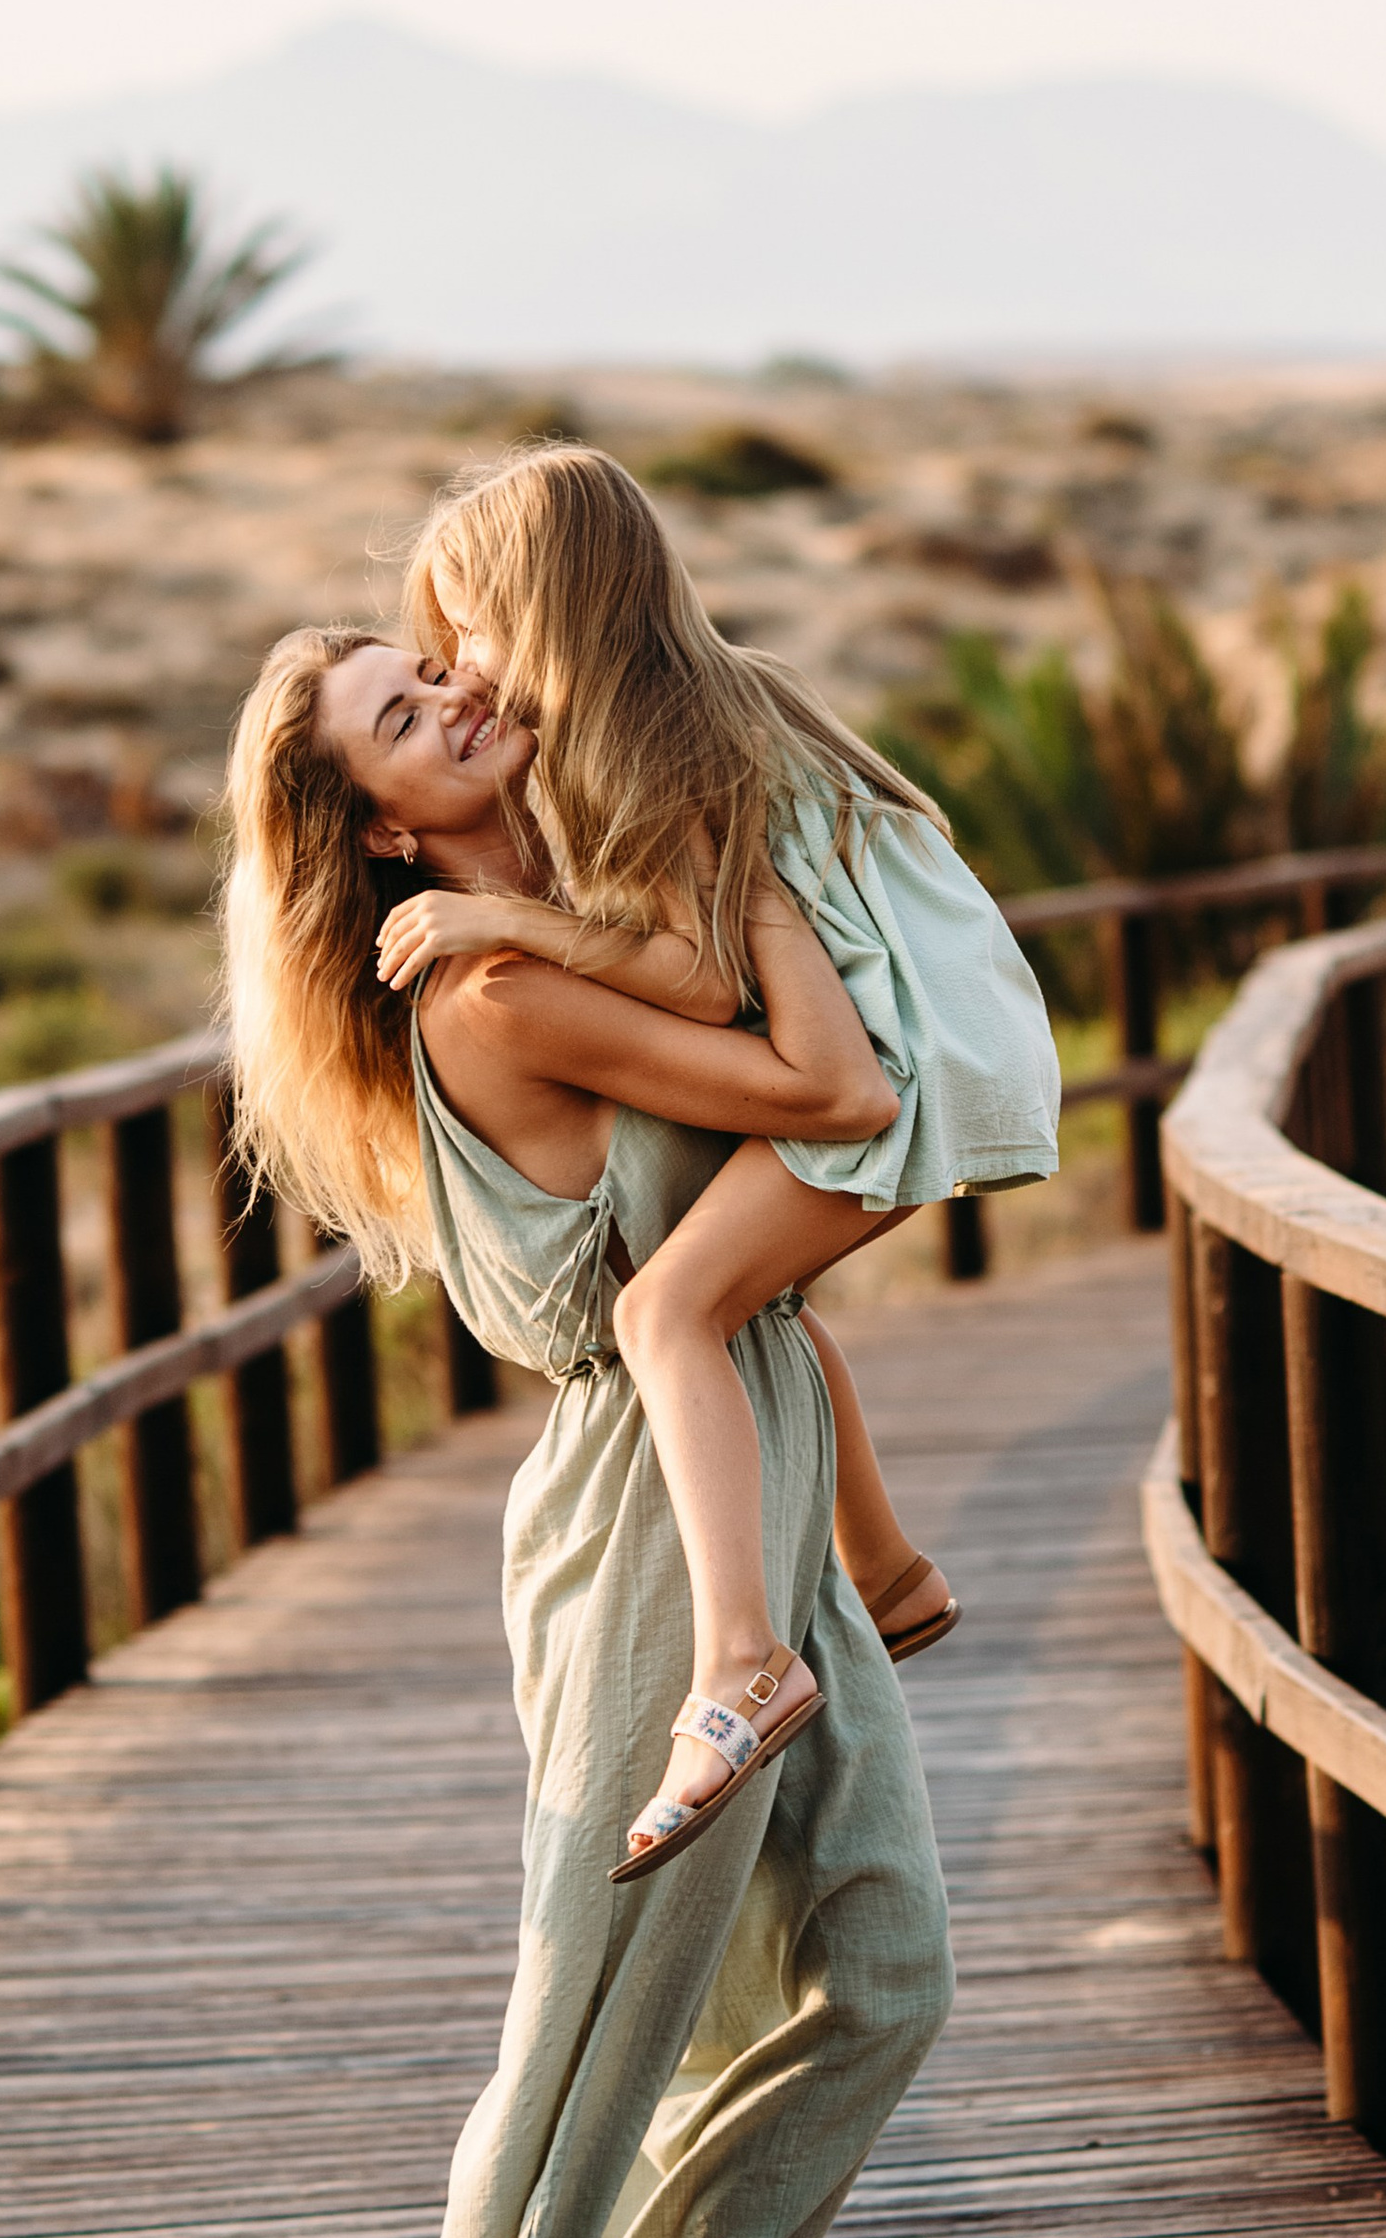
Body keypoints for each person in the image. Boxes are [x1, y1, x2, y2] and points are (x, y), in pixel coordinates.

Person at [222, 625, 955, 2238]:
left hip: (756, 1480)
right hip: (650, 1519)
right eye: (402, 714)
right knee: (585, 2027)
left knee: (882, 1971)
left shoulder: (561, 923)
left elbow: (759, 1269)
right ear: (371, 824)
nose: (452, 697)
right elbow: (832, 1090)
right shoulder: (494, 985)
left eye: (440, 667)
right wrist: (744, 861)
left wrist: (867, 1538)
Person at [391, 444, 1063, 1873]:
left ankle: (743, 1658)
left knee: (664, 1308)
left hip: (894, 1049)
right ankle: (890, 1575)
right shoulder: (712, 685)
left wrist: (507, 927)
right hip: (955, 1024)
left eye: (480, 629)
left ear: (551, 602)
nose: (473, 671)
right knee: (749, 1285)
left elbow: (700, 979)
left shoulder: (644, 736)